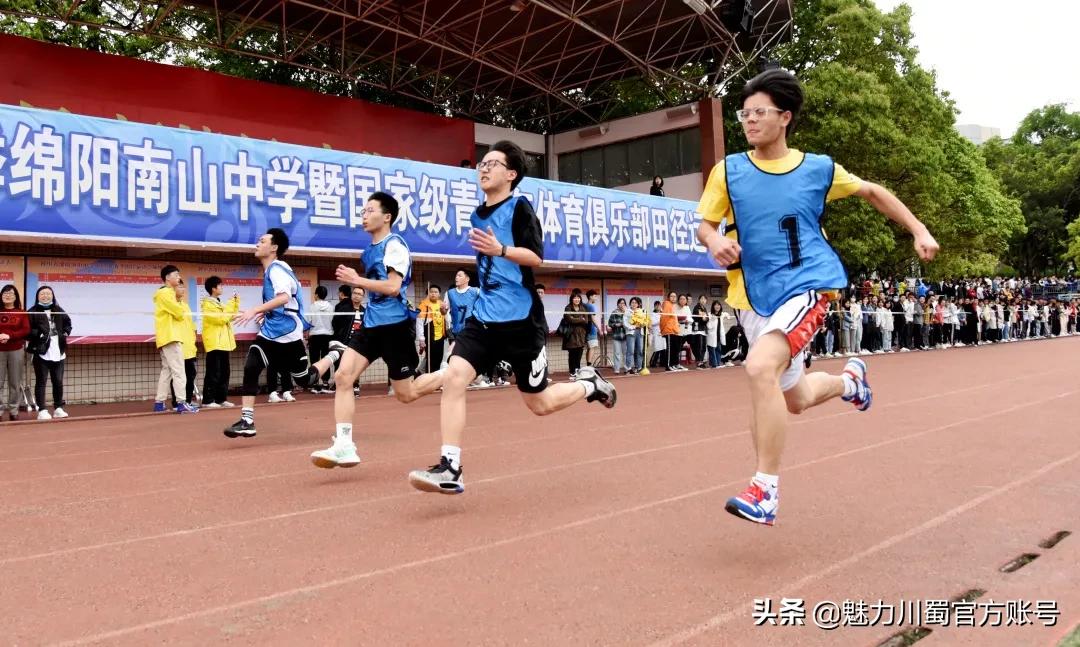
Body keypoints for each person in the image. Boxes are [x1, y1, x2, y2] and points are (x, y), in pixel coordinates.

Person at [695, 69, 938, 525]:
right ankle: (851, 383)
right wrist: (713, 241)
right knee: (796, 398)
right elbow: (704, 223)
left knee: (759, 367)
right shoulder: (727, 172)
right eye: (744, 114)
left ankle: (764, 489)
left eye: (759, 113)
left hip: (807, 285)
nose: (748, 121)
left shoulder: (819, 169)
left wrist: (918, 229)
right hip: (752, 296)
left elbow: (872, 191)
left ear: (784, 117)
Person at [408, 140, 616, 494]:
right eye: (481, 164)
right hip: (485, 316)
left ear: (511, 173)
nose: (483, 168)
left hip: (521, 321)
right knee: (455, 376)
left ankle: (589, 385)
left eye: (492, 163)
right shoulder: (478, 214)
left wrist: (501, 249)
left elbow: (536, 257)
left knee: (540, 403)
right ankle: (450, 466)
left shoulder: (520, 207)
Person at [308, 192, 446, 467]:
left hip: (395, 327)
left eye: (370, 210)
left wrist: (357, 279)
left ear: (387, 217)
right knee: (344, 376)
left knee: (405, 394)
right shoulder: (369, 250)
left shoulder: (395, 246)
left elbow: (394, 287)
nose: (364, 214)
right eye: (363, 210)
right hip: (371, 324)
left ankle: (452, 372)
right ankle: (345, 446)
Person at [224, 228, 347, 438]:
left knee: (306, 380)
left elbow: (283, 297)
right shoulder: (274, 269)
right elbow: (283, 302)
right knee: (251, 366)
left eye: (262, 241)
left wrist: (256, 309)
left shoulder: (277, 269)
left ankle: (334, 353)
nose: (257, 244)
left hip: (289, 335)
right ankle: (247, 421)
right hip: (271, 333)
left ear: (274, 247)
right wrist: (268, 313)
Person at [153, 265, 198, 414]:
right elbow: (178, 312)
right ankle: (181, 403)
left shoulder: (166, 293)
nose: (179, 278)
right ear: (167, 278)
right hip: (171, 336)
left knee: (167, 371)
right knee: (179, 371)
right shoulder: (165, 293)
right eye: (176, 275)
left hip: (167, 336)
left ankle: (159, 403)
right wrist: (180, 310)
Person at [26, 286, 71, 420]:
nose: (45, 296)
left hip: (59, 351)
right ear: (38, 296)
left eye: (48, 293)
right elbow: (27, 331)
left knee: (58, 381)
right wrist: (38, 334)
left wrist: (65, 333)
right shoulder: (32, 311)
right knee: (41, 381)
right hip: (41, 352)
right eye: (42, 294)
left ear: (52, 296)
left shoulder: (59, 310)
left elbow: (68, 323)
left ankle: (58, 408)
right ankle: (42, 410)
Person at [200, 276, 239, 408]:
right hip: (214, 342)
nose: (222, 288)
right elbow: (220, 319)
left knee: (224, 371)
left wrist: (234, 303)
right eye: (220, 285)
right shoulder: (207, 304)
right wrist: (230, 305)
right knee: (213, 372)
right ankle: (208, 400)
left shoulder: (220, 303)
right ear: (213, 288)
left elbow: (230, 316)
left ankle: (221, 398)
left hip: (224, 342)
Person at [0, 284, 30, 421]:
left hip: (16, 350)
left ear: (15, 296)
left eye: (11, 293)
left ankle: (13, 410)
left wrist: (9, 336)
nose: (7, 295)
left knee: (15, 382)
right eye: (5, 293)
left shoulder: (22, 312)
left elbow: (25, 330)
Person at [307, 285, 335, 393]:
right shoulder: (331, 307)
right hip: (328, 336)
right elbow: (333, 321)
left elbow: (308, 322)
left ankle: (314, 384)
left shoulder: (312, 307)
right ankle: (325, 383)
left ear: (317, 294)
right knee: (326, 360)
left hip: (315, 336)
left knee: (314, 360)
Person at [417, 285, 447, 374]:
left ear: (439, 294)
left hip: (440, 336)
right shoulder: (424, 305)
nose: (433, 294)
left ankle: (433, 378)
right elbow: (419, 323)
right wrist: (421, 339)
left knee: (439, 358)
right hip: (430, 335)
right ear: (428, 294)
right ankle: (428, 379)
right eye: (431, 292)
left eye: (436, 292)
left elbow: (446, 318)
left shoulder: (441, 304)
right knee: (431, 359)